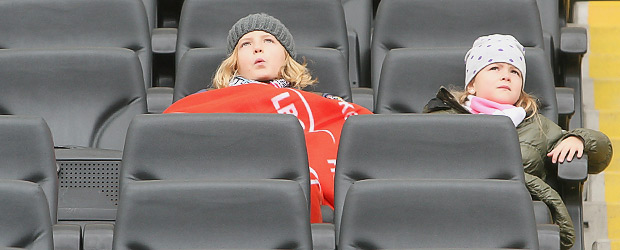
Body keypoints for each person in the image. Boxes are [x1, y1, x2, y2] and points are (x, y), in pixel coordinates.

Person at [164, 13, 372, 223]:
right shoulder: (205, 101)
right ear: (234, 63)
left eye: (269, 40)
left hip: (294, 191)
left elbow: (361, 131)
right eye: (245, 44)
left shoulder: (317, 102)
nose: (257, 48)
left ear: (286, 56)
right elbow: (169, 132)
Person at [423, 34, 613, 250]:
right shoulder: (442, 117)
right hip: (454, 205)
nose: (506, 76)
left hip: (513, 214)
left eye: (514, 72)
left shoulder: (535, 125)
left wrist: (579, 138)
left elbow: (601, 152)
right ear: (472, 85)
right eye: (494, 68)